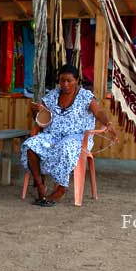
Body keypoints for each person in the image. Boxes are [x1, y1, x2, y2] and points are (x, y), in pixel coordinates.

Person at [22, 64, 118, 207]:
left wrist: (108, 123)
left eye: (69, 81)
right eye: (62, 81)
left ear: (77, 81)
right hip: (53, 135)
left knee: (65, 147)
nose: (65, 84)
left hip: (77, 138)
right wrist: (36, 111)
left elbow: (98, 112)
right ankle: (40, 185)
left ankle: (61, 188)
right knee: (30, 145)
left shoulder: (85, 96)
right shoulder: (53, 95)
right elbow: (42, 119)